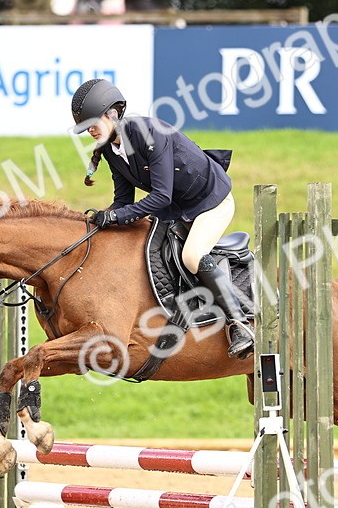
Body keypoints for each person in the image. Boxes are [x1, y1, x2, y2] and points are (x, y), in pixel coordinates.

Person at [71, 78, 254, 359]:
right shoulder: (111, 149)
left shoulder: (149, 134)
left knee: (192, 256)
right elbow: (123, 201)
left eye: (93, 122)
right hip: (175, 209)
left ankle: (239, 323)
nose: (90, 130)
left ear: (113, 114)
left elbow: (160, 197)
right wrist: (103, 220)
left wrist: (117, 216)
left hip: (210, 201)